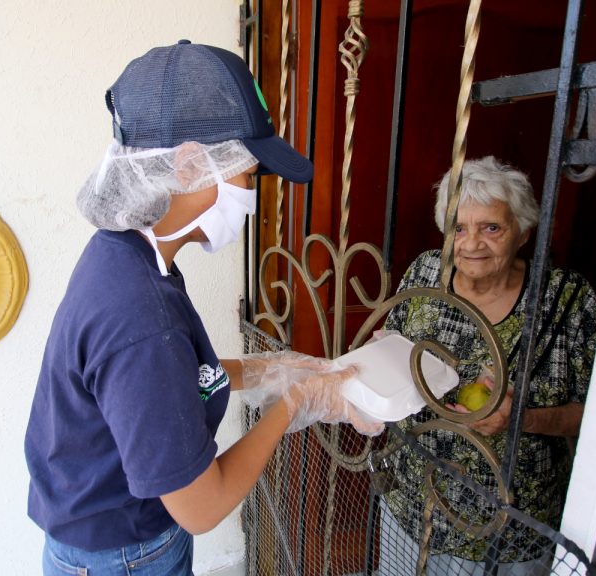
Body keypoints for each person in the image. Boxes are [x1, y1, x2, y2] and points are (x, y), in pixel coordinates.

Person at [24, 40, 382, 576]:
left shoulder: (129, 255)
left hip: (104, 539)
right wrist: (294, 404)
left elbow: (167, 383)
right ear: (191, 164)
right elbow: (202, 507)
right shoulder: (142, 318)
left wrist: (268, 371)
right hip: (124, 556)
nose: (251, 193)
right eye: (247, 172)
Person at [377, 157, 596, 575]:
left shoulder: (566, 301)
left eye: (491, 228)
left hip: (507, 532)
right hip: (412, 507)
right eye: (458, 228)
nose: (470, 243)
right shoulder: (427, 271)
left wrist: (523, 418)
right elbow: (392, 347)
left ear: (523, 232)